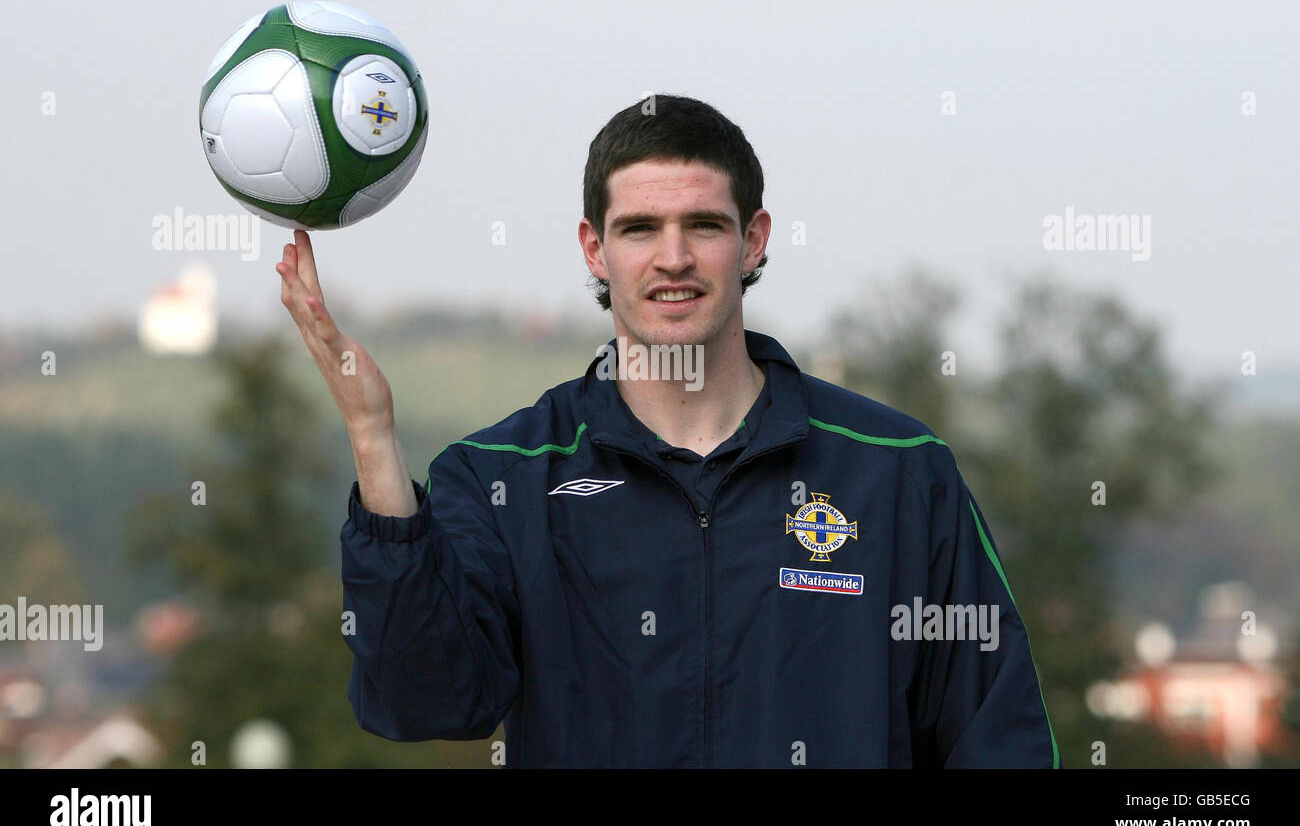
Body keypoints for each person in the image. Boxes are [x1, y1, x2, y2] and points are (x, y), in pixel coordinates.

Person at [276, 94, 1060, 768]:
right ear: (596, 248)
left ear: (753, 240)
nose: (674, 258)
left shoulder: (895, 472)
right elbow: (424, 701)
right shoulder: (502, 478)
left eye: (704, 225)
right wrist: (373, 436)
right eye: (641, 227)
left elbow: (998, 737)